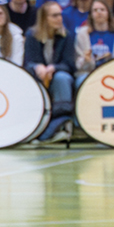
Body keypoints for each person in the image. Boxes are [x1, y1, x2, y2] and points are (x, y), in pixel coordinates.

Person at [24, 9, 78, 139]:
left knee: (61, 78)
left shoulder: (66, 36)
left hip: (58, 75)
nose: (59, 18)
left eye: (60, 15)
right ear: (44, 18)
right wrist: (37, 67)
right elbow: (28, 63)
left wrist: (53, 67)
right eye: (54, 15)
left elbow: (70, 65)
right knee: (30, 80)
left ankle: (63, 124)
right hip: (39, 76)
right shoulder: (32, 35)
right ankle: (33, 128)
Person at [76, 0, 114, 71]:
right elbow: (78, 65)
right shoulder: (82, 34)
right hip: (88, 73)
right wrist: (86, 60)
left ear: (108, 13)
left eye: (102, 10)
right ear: (91, 15)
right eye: (95, 10)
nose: (99, 12)